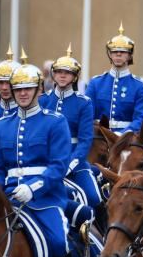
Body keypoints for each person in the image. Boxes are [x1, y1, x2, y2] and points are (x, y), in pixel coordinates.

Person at [0, 51, 74, 257]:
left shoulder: (54, 121)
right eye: (18, 89)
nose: (22, 94)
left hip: (45, 200)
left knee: (59, 244)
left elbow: (59, 166)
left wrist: (33, 188)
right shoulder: (1, 125)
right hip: (9, 198)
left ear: (39, 90)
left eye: (28, 89)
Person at [39, 44, 101, 211]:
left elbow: (85, 140)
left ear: (74, 77)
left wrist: (71, 164)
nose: (62, 75)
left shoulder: (83, 103)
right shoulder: (42, 101)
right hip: (47, 161)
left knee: (94, 197)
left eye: (67, 73)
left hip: (75, 161)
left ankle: (102, 235)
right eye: (59, 72)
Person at [85, 23, 143, 134]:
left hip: (126, 139)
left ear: (130, 56)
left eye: (123, 51)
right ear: (110, 54)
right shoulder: (96, 83)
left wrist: (122, 134)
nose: (118, 54)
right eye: (114, 51)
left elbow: (141, 118)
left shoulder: (140, 86)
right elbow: (86, 114)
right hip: (99, 137)